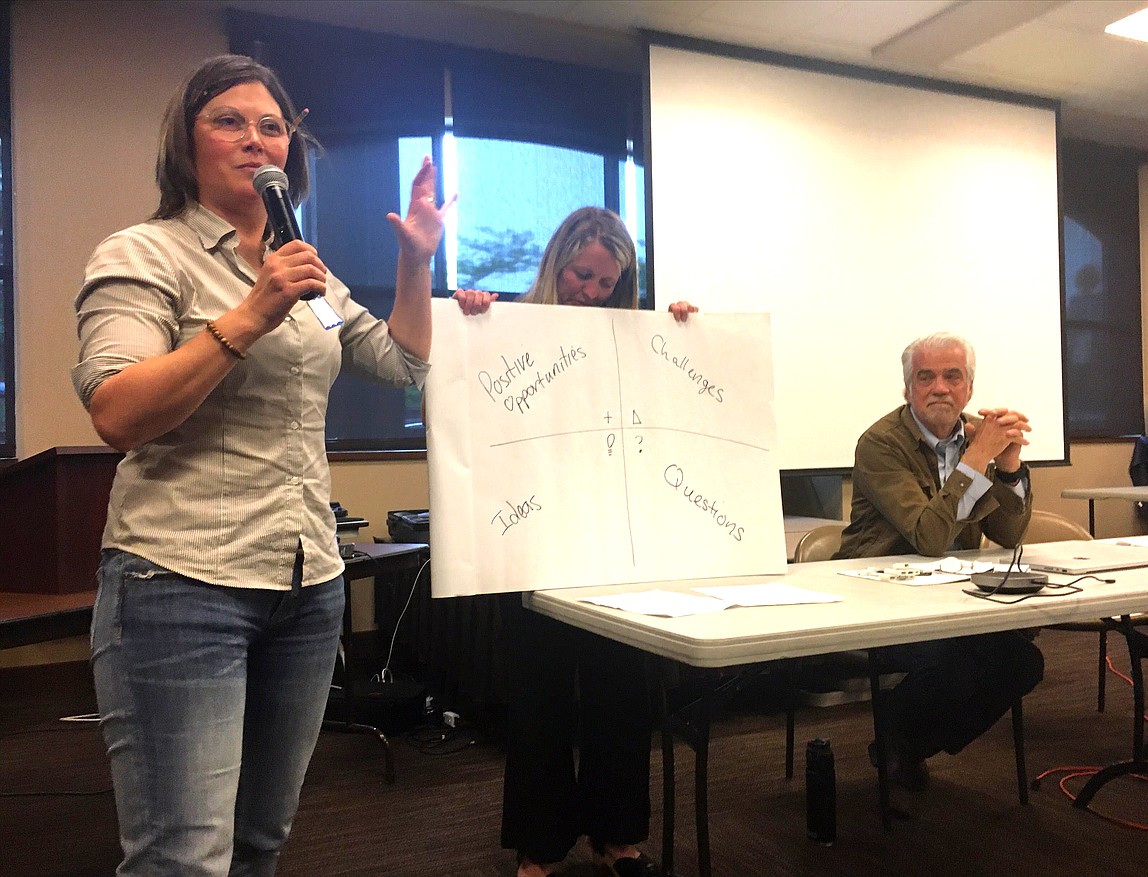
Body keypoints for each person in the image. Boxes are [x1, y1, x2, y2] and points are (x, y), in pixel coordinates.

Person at [71, 55, 450, 876]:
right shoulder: (145, 254)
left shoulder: (305, 267)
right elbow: (117, 412)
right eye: (229, 122)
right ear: (187, 141)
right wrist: (251, 311)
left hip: (307, 586)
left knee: (260, 841)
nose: (255, 139)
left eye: (271, 125)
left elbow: (403, 363)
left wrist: (417, 261)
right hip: (179, 583)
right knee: (184, 856)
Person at [455, 207, 696, 877]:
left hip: (616, 542)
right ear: (556, 260)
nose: (593, 291)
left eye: (609, 283)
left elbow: (675, 406)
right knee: (540, 698)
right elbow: (461, 404)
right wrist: (472, 318)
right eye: (582, 274)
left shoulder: (632, 337)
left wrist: (685, 336)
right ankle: (539, 844)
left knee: (623, 689)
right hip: (530, 539)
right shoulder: (507, 327)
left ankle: (617, 835)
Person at [834, 331, 1045, 790]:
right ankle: (898, 736)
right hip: (876, 595)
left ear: (969, 387)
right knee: (954, 656)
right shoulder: (881, 443)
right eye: (925, 377)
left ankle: (904, 741)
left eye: (953, 377)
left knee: (1021, 660)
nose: (940, 388)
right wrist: (978, 458)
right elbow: (929, 537)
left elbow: (1008, 534)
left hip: (950, 596)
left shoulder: (976, 437)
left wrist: (1008, 465)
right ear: (908, 389)